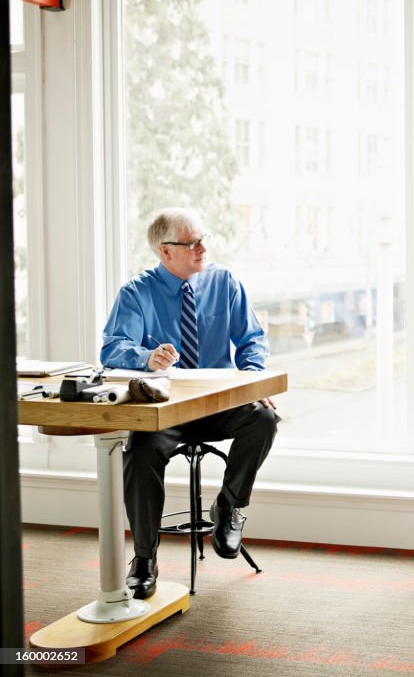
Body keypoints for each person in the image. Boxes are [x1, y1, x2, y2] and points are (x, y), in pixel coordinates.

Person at [100, 208, 280, 600]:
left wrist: (252, 378)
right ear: (166, 251)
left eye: (203, 239)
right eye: (192, 242)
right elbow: (112, 348)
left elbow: (252, 339)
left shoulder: (224, 281)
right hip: (167, 409)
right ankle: (144, 558)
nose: (202, 248)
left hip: (218, 404)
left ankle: (229, 507)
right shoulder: (137, 292)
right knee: (140, 449)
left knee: (265, 418)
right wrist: (146, 357)